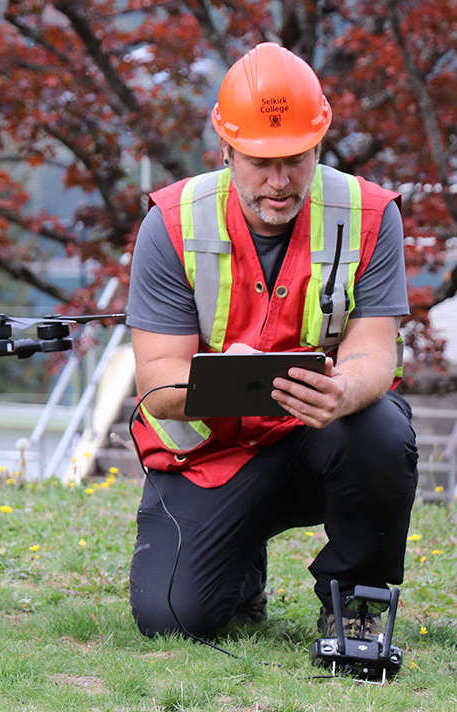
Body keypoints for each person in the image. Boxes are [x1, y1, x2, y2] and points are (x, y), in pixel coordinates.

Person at [124, 42, 419, 638]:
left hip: (317, 442)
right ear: (227, 149)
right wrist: (223, 385)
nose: (280, 182)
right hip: (210, 459)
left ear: (319, 144)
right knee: (174, 621)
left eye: (296, 158)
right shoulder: (172, 223)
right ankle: (237, 573)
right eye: (260, 161)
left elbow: (374, 351)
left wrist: (344, 390)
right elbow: (156, 382)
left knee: (381, 427)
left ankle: (354, 601)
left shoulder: (369, 214)